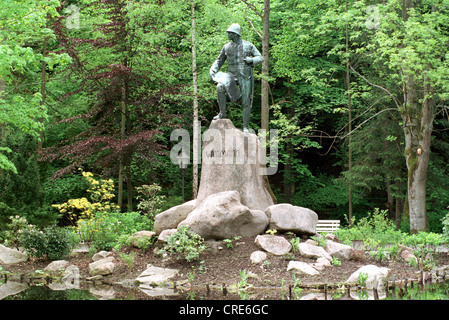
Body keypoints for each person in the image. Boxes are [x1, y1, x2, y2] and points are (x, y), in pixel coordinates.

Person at [209, 23, 263, 133]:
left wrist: (251, 60)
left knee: (246, 100)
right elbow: (219, 60)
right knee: (220, 87)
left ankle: (245, 126)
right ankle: (222, 113)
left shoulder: (248, 45)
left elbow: (260, 57)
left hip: (245, 75)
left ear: (236, 34)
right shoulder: (226, 47)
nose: (228, 34)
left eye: (230, 33)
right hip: (231, 75)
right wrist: (213, 69)